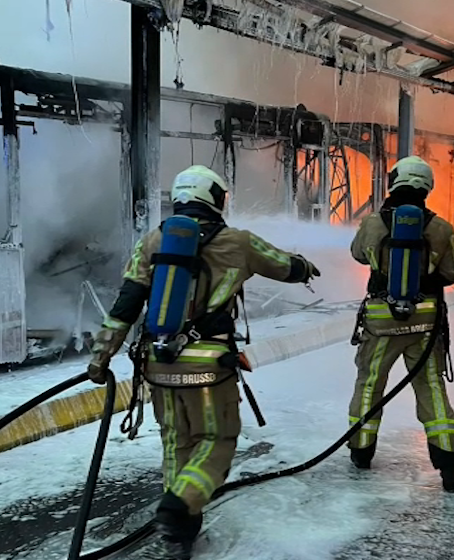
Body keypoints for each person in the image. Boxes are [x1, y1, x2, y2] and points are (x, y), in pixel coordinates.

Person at [86, 165, 321, 559]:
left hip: (159, 364)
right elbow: (283, 265)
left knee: (176, 443)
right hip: (208, 365)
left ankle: (179, 533)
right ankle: (179, 507)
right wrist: (305, 268)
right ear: (215, 198)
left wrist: (100, 356)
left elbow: (125, 303)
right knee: (216, 441)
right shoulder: (238, 242)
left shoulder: (152, 241)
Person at [346, 155, 454, 492]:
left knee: (370, 384)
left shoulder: (372, 223)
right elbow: (451, 273)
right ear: (427, 186)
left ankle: (361, 451)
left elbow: (358, 254)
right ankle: (449, 465)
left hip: (381, 320)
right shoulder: (441, 228)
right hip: (425, 322)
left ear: (394, 181)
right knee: (431, 388)